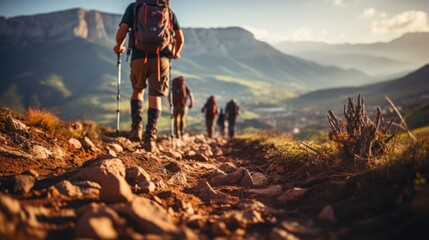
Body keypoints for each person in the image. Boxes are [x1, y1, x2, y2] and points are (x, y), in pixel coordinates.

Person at [113, 1, 184, 152]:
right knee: (155, 97)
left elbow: (121, 33)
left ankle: (136, 130)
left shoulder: (135, 7)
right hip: (161, 60)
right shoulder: (167, 11)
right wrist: (175, 53)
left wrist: (119, 47)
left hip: (139, 57)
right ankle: (150, 138)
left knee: (138, 91)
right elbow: (180, 39)